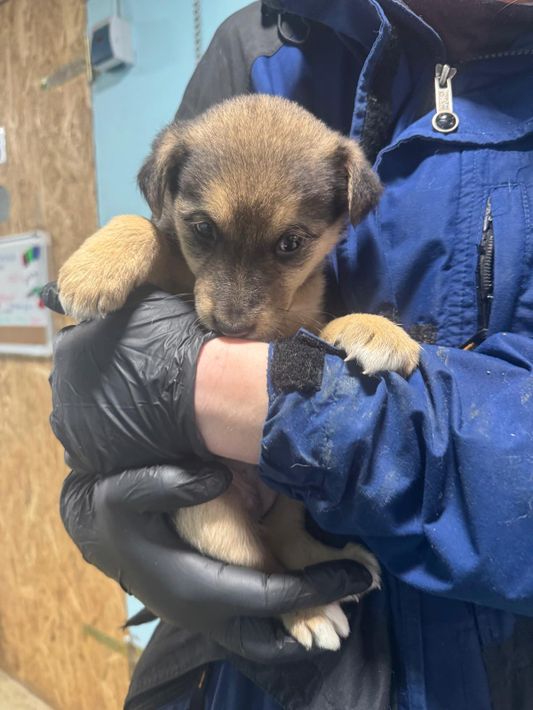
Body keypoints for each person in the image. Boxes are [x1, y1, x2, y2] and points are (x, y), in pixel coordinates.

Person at [46, 1, 533, 708]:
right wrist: (99, 506)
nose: (232, 307)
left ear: (345, 215)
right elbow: (153, 254)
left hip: (478, 658)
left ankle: (291, 561)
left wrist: (324, 375)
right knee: (208, 512)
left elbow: (327, 350)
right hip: (227, 662)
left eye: (287, 247)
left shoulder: (340, 190)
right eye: (204, 234)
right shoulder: (256, 44)